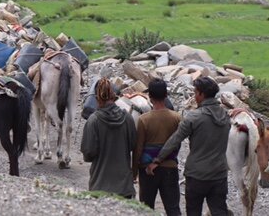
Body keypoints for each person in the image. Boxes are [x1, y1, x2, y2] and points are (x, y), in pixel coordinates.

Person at [147, 77, 230, 216]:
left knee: (193, 211)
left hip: (197, 175)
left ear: (202, 95)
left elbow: (174, 140)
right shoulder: (226, 116)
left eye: (195, 93)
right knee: (219, 211)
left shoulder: (194, 117)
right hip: (219, 174)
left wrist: (157, 160)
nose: (194, 96)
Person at [80, 77, 136, 198]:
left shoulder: (93, 121)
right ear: (114, 96)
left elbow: (88, 153)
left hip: (99, 187)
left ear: (97, 98)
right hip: (124, 187)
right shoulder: (128, 118)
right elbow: (133, 145)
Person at [133, 79, 181, 215]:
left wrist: (134, 171)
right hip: (170, 168)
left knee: (146, 209)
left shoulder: (144, 119)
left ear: (150, 97)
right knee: (173, 208)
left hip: (147, 170)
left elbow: (139, 148)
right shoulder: (177, 118)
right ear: (166, 95)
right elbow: (177, 144)